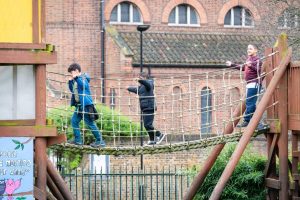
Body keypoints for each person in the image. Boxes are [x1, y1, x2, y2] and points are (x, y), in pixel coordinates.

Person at [226, 44, 264, 129]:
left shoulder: (257, 60)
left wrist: (251, 66)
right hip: (249, 84)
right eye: (248, 49)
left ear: (255, 50)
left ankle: (248, 120)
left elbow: (259, 70)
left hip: (255, 84)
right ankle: (256, 123)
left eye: (250, 49)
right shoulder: (249, 59)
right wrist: (232, 64)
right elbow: (242, 67)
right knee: (250, 103)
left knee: (250, 103)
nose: (248, 50)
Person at [67, 63, 105, 147]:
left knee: (90, 123)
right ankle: (78, 141)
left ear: (76, 71)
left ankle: (100, 141)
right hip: (79, 106)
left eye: (72, 72)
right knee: (74, 121)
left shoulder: (83, 77)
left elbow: (83, 86)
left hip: (86, 105)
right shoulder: (76, 79)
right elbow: (73, 90)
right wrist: (70, 81)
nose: (71, 74)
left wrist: (76, 78)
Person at [127, 73, 165, 145]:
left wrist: (140, 80)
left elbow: (146, 83)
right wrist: (128, 88)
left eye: (141, 78)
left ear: (145, 78)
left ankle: (159, 134)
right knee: (146, 125)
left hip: (150, 107)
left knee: (148, 125)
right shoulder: (140, 88)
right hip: (144, 108)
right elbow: (135, 89)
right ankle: (152, 140)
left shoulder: (149, 84)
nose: (139, 79)